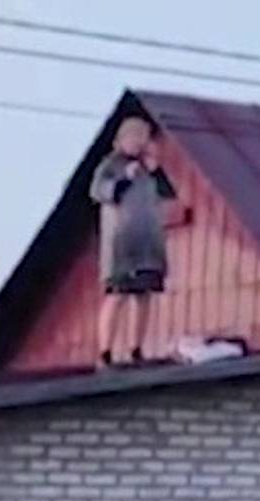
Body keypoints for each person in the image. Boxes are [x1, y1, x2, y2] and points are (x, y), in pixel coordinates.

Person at [91, 116, 178, 368]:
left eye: (144, 137)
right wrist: (124, 179)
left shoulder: (148, 167)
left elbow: (168, 194)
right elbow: (98, 191)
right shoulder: (111, 164)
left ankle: (135, 348)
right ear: (123, 139)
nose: (140, 142)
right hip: (122, 242)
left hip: (148, 240)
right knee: (118, 294)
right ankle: (105, 351)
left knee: (143, 294)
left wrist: (156, 170)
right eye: (135, 137)